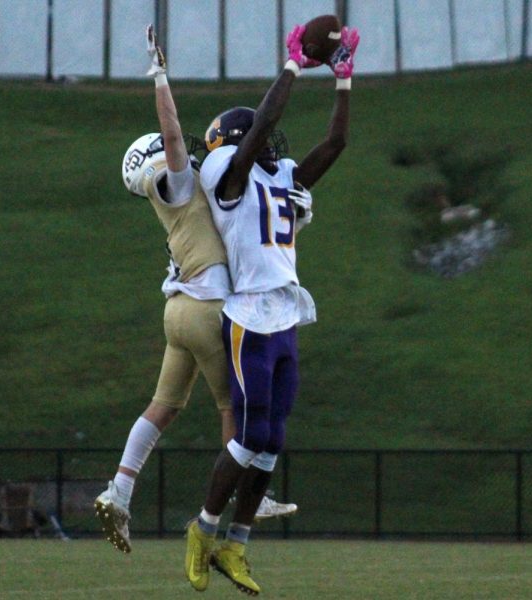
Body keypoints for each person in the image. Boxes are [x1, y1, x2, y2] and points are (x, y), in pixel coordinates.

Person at [93, 25, 300, 555]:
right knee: (236, 409)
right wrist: (160, 76)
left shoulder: (175, 200)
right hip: (209, 308)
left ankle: (119, 490)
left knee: (161, 407)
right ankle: (247, 496)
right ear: (155, 162)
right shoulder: (178, 184)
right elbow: (176, 137)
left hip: (177, 310)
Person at [183, 22, 359, 595]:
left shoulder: (278, 177)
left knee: (273, 439)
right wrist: (290, 66)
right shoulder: (226, 175)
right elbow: (262, 128)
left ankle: (236, 545)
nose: (273, 150)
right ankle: (202, 530)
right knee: (251, 430)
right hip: (248, 315)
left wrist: (343, 81)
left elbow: (334, 146)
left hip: (284, 312)